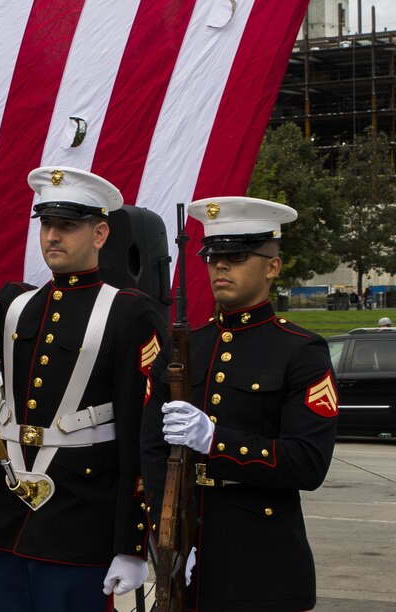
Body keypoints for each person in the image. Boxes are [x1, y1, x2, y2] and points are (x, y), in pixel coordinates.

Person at [0, 167, 165, 611]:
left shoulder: (129, 313)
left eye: (68, 225)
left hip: (81, 520)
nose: (52, 236)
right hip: (9, 515)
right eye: (46, 224)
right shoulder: (18, 303)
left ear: (100, 233)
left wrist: (132, 543)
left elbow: (140, 436)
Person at [140, 196, 337, 611]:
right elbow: (153, 452)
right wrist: (166, 535)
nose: (220, 266)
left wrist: (216, 441)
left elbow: (308, 462)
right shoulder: (185, 348)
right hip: (185, 554)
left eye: (237, 255)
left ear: (272, 266)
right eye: (213, 255)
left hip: (261, 561)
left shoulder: (300, 351)